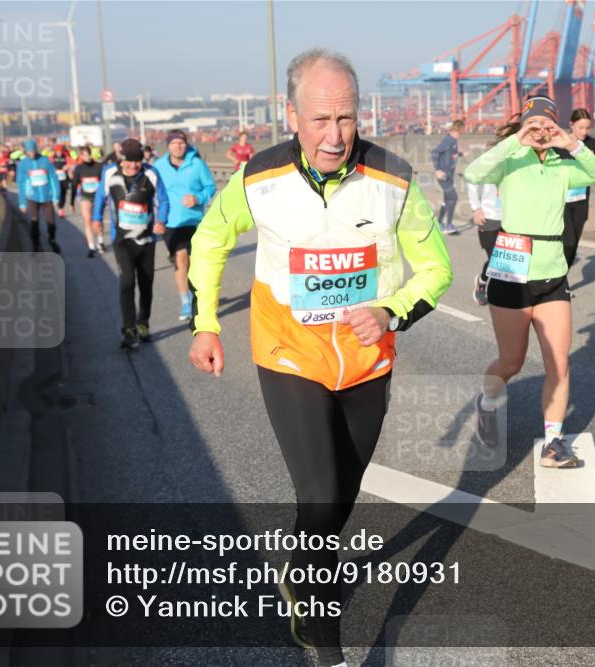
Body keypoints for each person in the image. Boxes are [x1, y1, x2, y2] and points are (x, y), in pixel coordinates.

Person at [187, 48, 451, 667]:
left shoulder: (393, 179)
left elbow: (437, 268)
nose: (334, 136)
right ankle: (326, 640)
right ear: (292, 116)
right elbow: (210, 239)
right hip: (290, 355)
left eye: (346, 118)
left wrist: (390, 311)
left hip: (367, 361)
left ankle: (301, 571)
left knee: (337, 504)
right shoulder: (259, 177)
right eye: (320, 120)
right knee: (320, 495)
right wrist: (206, 324)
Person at [464, 95, 595, 468]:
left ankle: (553, 443)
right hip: (511, 274)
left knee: (558, 364)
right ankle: (487, 404)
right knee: (511, 361)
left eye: (547, 124)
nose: (541, 131)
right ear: (524, 125)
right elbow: (474, 173)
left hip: (552, 274)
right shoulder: (510, 160)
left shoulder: (564, 165)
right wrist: (517, 140)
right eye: (534, 124)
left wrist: (571, 143)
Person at [93, 138, 169, 349]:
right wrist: (96, 218)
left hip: (147, 239)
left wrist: (161, 221)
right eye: (129, 161)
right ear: (121, 159)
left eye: (137, 161)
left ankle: (143, 324)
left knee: (146, 284)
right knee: (126, 282)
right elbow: (100, 197)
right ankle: (128, 329)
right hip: (121, 239)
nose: (133, 166)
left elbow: (163, 200)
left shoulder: (151, 173)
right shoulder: (110, 173)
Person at [153, 129, 217, 321]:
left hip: (194, 221)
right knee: (181, 260)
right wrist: (156, 218)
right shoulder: (158, 166)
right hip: (171, 222)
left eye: (181, 143)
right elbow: (151, 190)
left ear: (186, 145)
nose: (178, 147)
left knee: (195, 263)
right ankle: (185, 302)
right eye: (174, 143)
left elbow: (210, 187)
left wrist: (198, 198)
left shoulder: (197, 164)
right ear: (168, 146)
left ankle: (197, 295)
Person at [561, 108, 595, 269]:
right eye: (580, 128)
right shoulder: (561, 143)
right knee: (568, 242)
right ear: (571, 124)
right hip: (561, 202)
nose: (584, 132)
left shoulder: (591, 143)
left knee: (573, 245)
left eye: (587, 128)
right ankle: (557, 278)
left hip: (581, 201)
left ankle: (561, 277)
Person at [16, 139, 62, 253]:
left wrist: (56, 197)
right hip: (32, 198)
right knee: (34, 221)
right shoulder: (23, 164)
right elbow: (21, 184)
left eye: (33, 151)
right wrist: (22, 202)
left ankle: (52, 240)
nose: (31, 154)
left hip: (47, 196)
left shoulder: (45, 161)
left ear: (36, 150)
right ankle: (36, 245)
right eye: (29, 152)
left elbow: (54, 179)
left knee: (51, 221)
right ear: (26, 152)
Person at [466, 180, 501, 306]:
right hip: (489, 216)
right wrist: (476, 208)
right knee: (495, 259)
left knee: (509, 258)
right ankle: (482, 281)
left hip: (512, 217)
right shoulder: (487, 165)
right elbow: (472, 179)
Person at [70, 145, 106, 257]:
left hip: (98, 197)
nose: (87, 157)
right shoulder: (79, 168)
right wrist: (71, 203)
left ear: (91, 154)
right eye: (84, 155)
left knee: (98, 220)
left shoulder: (99, 166)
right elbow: (74, 185)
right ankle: (91, 247)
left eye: (88, 154)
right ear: (81, 156)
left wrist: (106, 197)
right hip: (85, 197)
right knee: (87, 220)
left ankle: (100, 241)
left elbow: (105, 183)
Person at [430, 119, 464, 234]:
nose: (462, 133)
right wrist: (437, 170)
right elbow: (434, 153)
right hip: (443, 176)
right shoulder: (448, 140)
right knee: (453, 197)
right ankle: (449, 225)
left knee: (447, 199)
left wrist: (461, 154)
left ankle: (439, 223)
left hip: (449, 176)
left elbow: (450, 154)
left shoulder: (453, 141)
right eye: (462, 131)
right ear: (459, 130)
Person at [50, 143, 73, 216]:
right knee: (56, 192)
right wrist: (53, 169)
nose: (59, 153)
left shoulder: (66, 157)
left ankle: (61, 208)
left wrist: (68, 166)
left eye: (60, 152)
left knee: (63, 193)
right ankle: (55, 205)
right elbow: (48, 166)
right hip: (55, 179)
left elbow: (72, 164)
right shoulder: (52, 157)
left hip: (64, 178)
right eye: (57, 152)